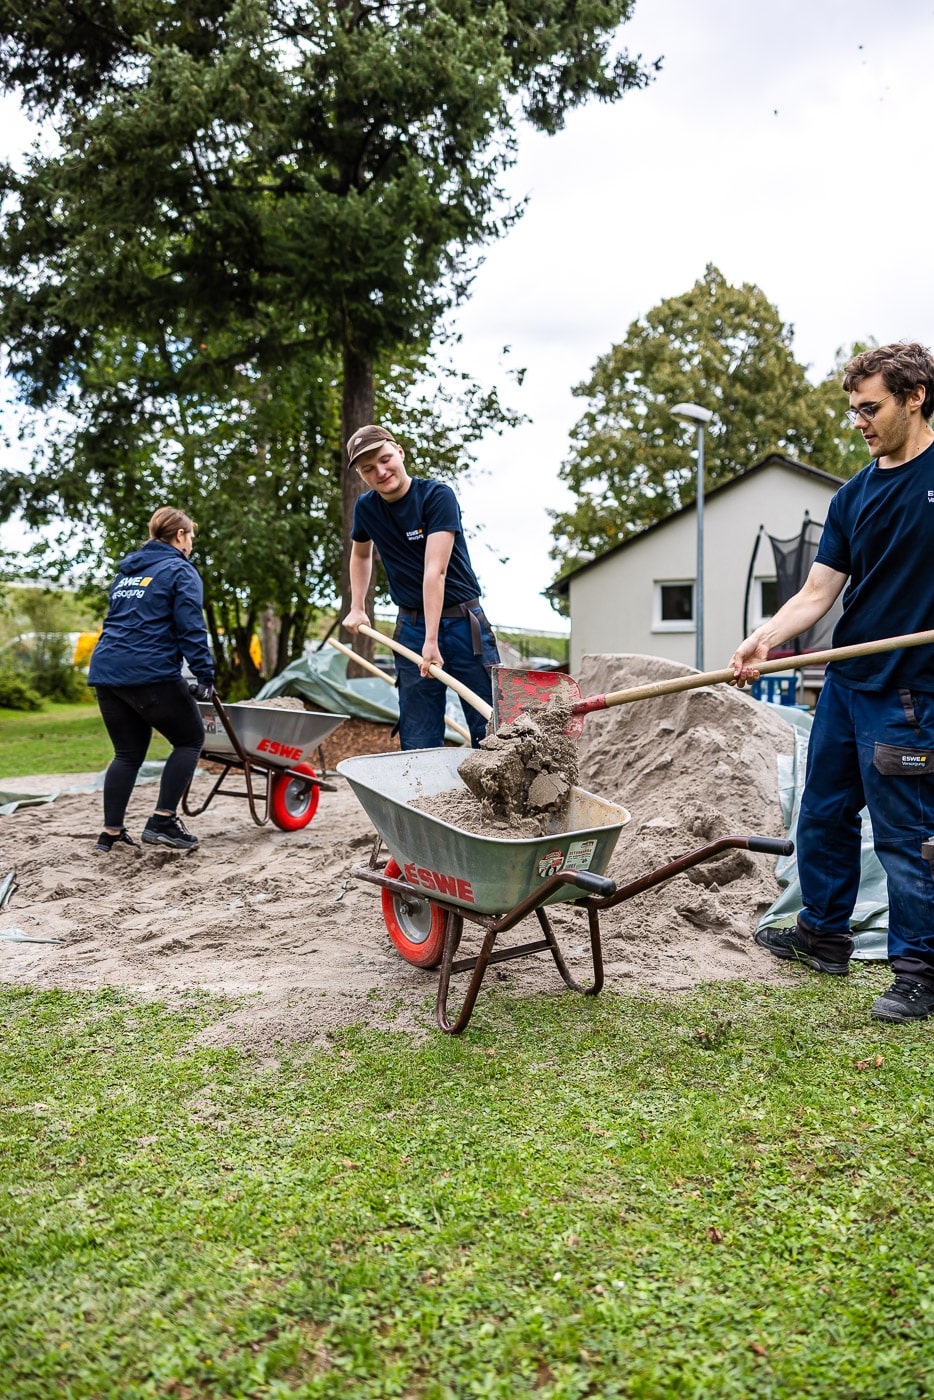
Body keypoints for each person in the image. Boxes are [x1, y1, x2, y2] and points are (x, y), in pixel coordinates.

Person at [730, 342, 934, 1023]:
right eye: (853, 410)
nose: (860, 422)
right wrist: (766, 635)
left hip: (910, 690)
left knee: (906, 833)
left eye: (870, 408)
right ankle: (823, 934)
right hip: (847, 684)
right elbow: (818, 592)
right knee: (821, 813)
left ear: (916, 397)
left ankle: (919, 971)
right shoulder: (855, 494)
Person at [341, 424, 499, 749]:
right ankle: (426, 799)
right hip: (410, 627)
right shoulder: (367, 508)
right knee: (417, 735)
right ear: (360, 473)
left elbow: (434, 571)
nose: (381, 472)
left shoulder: (436, 496)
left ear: (399, 452)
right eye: (369, 469)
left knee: (492, 728)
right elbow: (360, 554)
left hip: (463, 625)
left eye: (385, 459)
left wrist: (431, 640)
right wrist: (357, 606)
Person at [87, 506, 215, 852]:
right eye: (190, 537)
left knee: (127, 754)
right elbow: (191, 627)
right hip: (149, 671)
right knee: (190, 738)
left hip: (106, 672)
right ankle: (162, 820)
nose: (190, 544)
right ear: (180, 536)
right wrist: (205, 674)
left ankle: (110, 833)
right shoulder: (179, 569)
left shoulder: (126, 575)